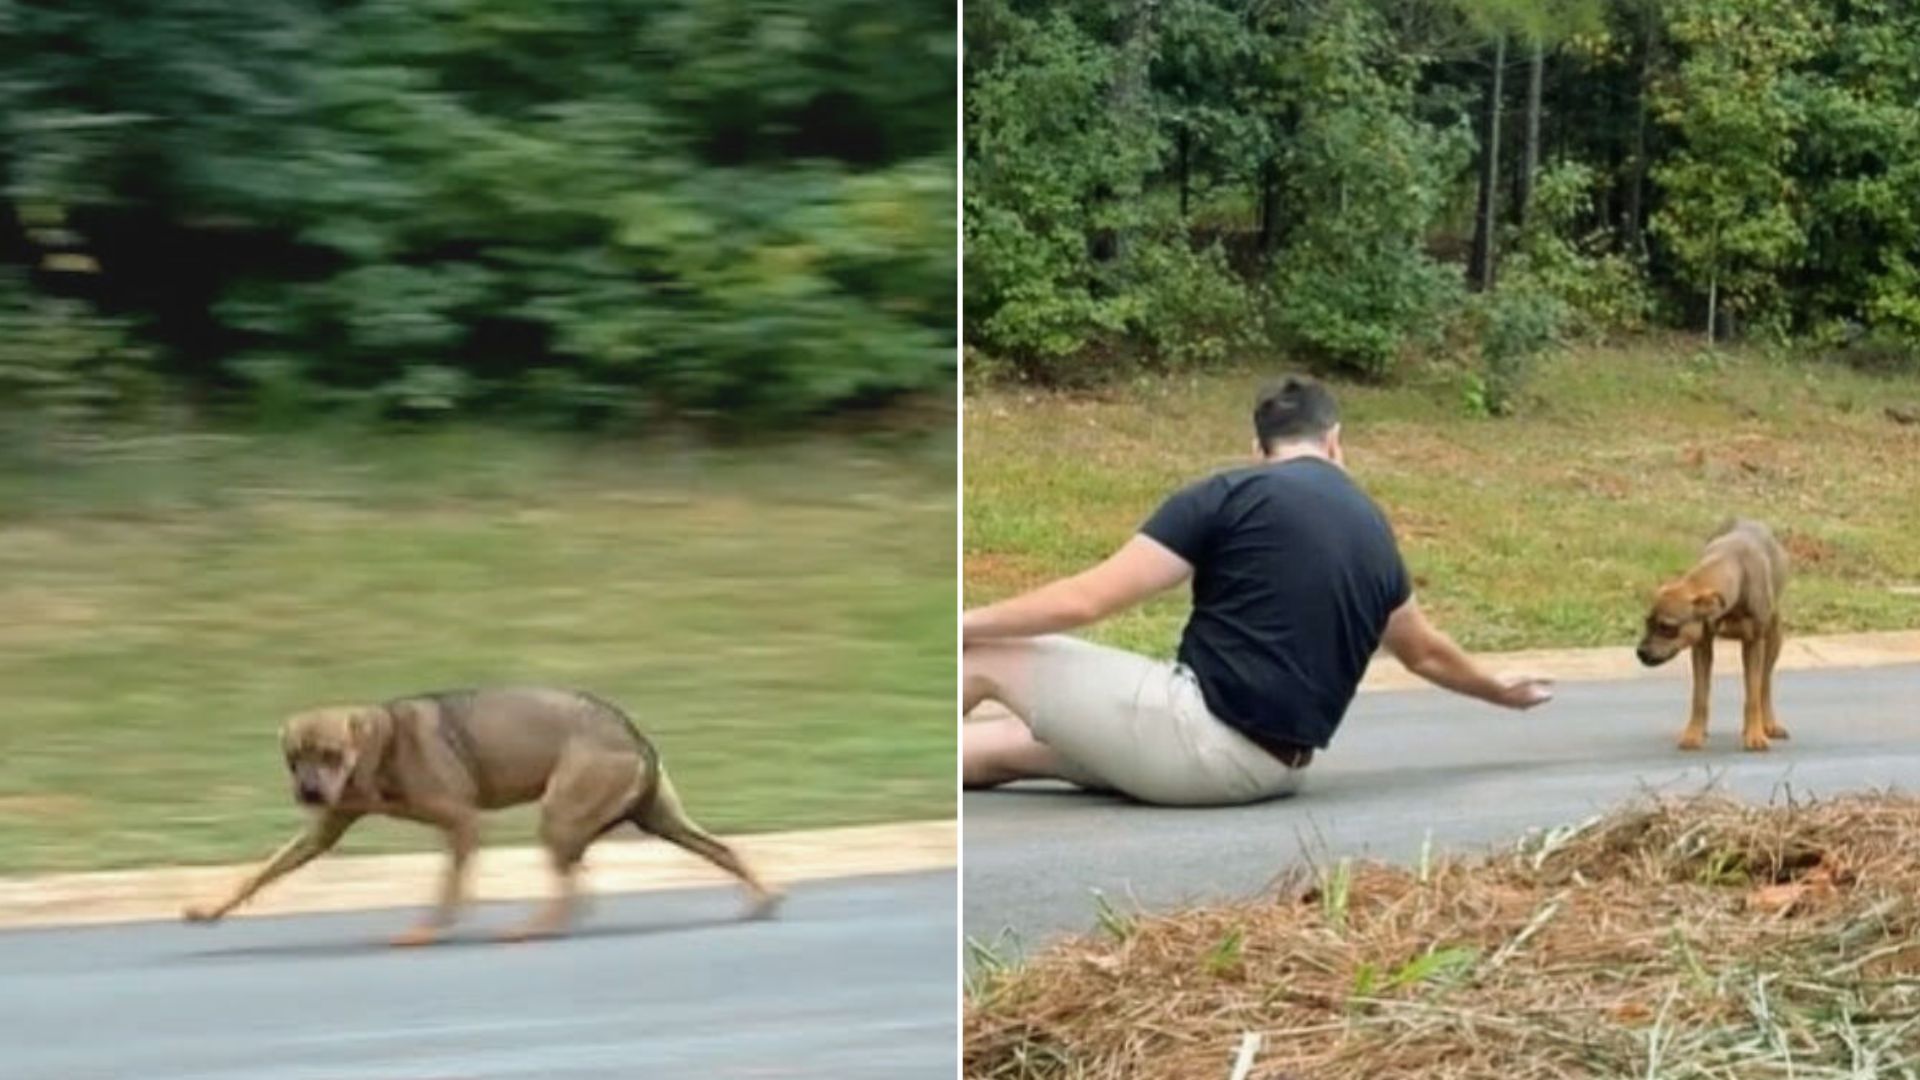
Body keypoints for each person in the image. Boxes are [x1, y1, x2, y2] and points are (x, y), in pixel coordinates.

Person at [962, 375, 1554, 806]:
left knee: (987, 654)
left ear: (1258, 451)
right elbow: (1422, 651)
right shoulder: (1375, 530)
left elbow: (1086, 601)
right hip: (1275, 770)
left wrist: (962, 623)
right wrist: (1497, 691)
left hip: (1199, 742)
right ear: (1335, 442)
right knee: (1002, 746)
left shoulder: (1228, 495)